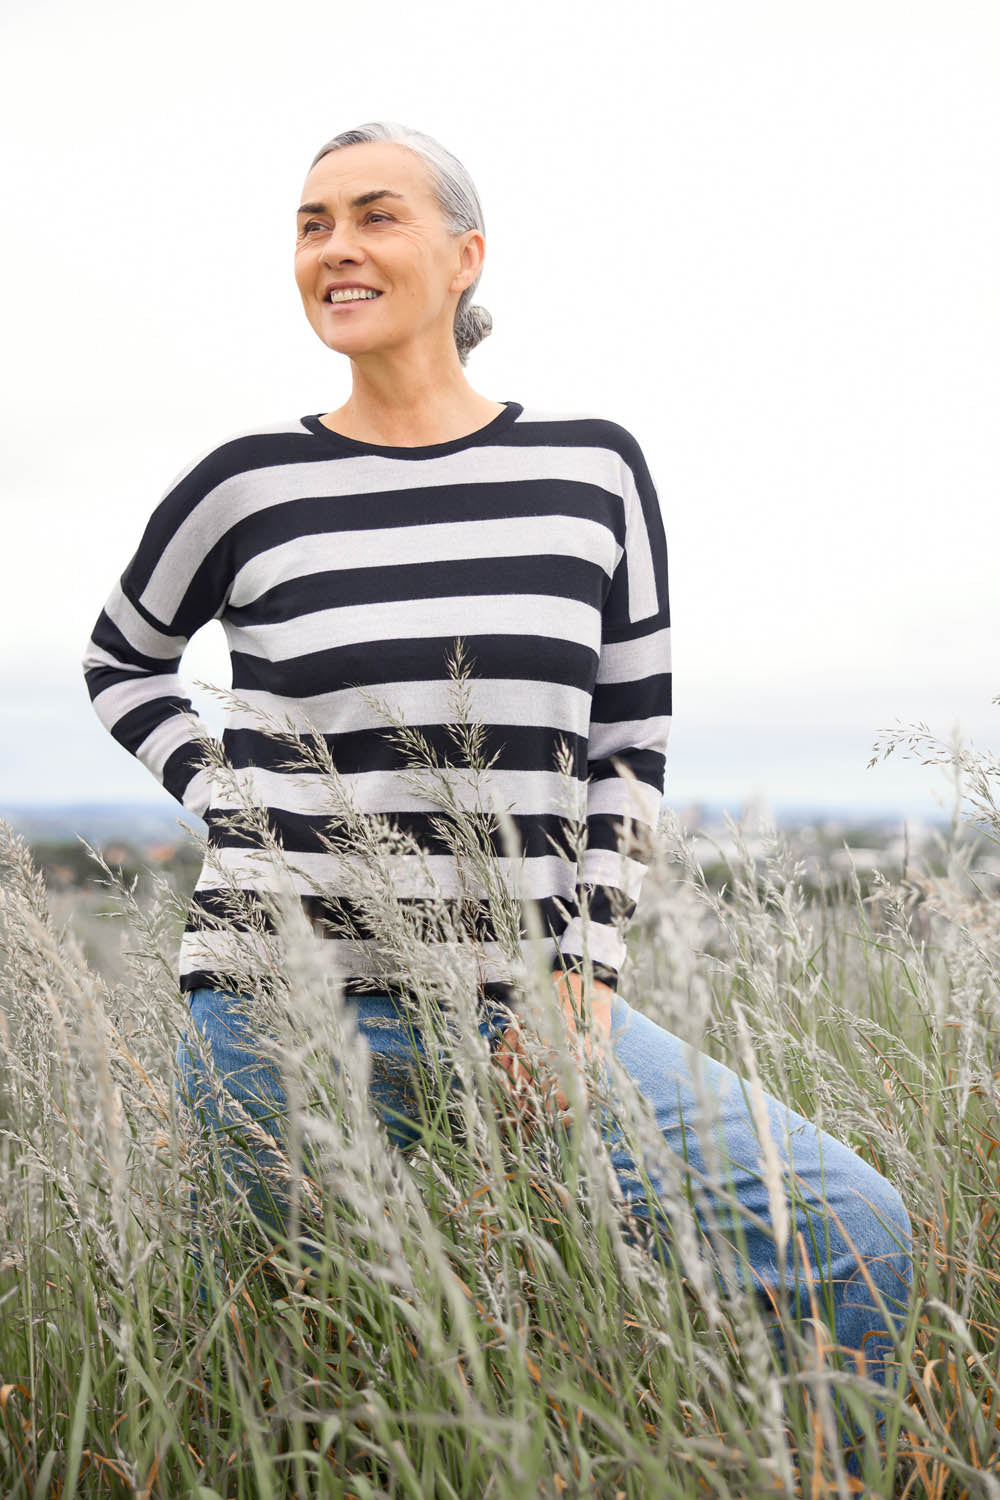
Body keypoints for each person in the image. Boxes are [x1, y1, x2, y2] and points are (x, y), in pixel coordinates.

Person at [82, 120, 913, 1479]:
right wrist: (230, 797)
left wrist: (582, 978)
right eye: (310, 225)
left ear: (465, 257)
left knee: (851, 1235)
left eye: (373, 215)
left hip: (525, 1003)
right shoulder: (248, 487)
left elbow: (627, 742)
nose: (336, 247)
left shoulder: (590, 471)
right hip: (276, 1011)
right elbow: (123, 659)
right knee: (290, 1395)